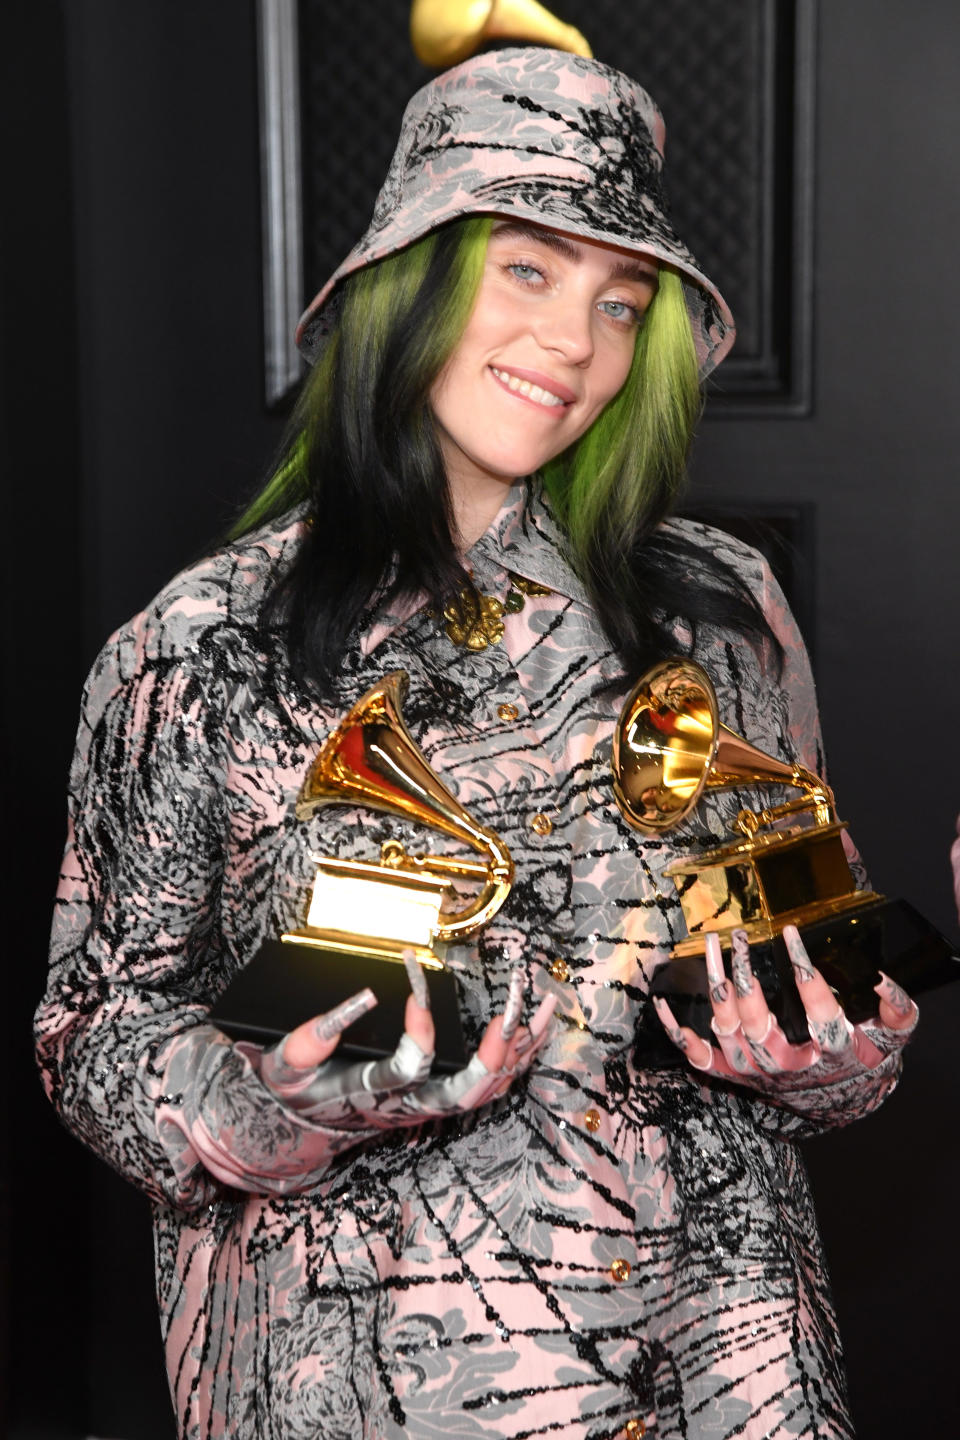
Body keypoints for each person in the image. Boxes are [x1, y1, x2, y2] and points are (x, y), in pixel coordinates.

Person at [36, 47, 918, 1440]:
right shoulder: (192, 647)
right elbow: (93, 1036)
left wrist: (831, 1050)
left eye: (622, 303)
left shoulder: (723, 605)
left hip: (729, 1376)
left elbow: (812, 940)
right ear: (412, 281)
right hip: (378, 1387)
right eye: (527, 270)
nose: (576, 342)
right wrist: (268, 1099)